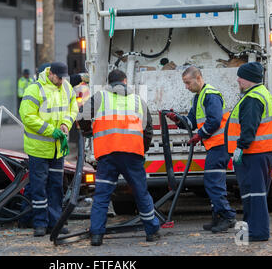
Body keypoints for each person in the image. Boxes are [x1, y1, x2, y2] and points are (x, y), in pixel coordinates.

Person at [78, 69, 160, 246]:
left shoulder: (100, 97)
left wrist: (88, 131)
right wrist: (142, 149)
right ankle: (151, 231)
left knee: (102, 195)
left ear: (109, 83)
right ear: (125, 81)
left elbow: (81, 115)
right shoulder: (138, 100)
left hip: (107, 154)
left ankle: (97, 235)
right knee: (141, 193)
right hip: (132, 154)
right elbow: (148, 130)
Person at [166, 66, 236, 233]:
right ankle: (218, 217)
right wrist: (178, 119)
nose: (186, 87)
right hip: (216, 145)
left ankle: (227, 216)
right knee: (214, 181)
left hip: (220, 144)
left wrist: (200, 135)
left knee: (212, 181)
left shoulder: (210, 95)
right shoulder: (199, 97)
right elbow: (191, 122)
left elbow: (215, 120)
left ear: (198, 78)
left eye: (188, 83)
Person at [19, 62, 79, 237]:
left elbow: (72, 108)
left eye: (63, 78)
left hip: (57, 149)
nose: (61, 81)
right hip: (38, 148)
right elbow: (27, 116)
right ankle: (40, 223)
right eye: (59, 78)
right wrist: (50, 130)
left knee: (56, 186)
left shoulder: (66, 86)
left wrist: (65, 124)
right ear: (51, 74)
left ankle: (55, 223)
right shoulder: (34, 89)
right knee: (39, 187)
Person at [226, 62, 272, 242]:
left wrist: (240, 147)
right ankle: (251, 230)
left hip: (254, 153)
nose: (238, 80)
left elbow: (249, 127)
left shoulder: (252, 98)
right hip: (261, 152)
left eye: (240, 76)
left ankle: (257, 232)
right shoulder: (259, 94)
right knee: (254, 193)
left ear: (249, 79)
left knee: (254, 193)